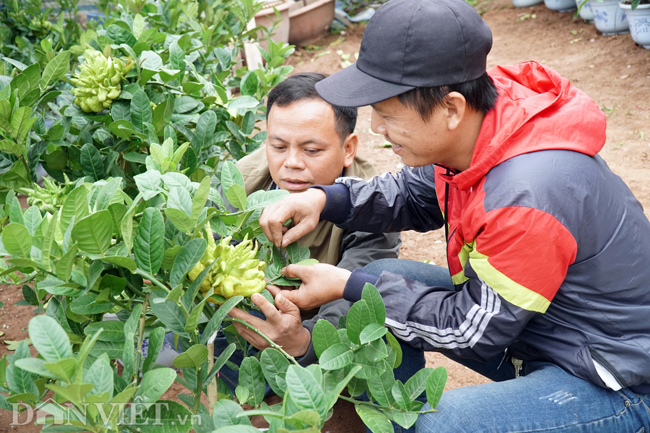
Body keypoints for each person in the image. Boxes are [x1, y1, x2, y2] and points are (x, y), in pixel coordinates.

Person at [256, 0, 650, 432]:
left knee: (440, 425)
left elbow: (473, 332)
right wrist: (323, 200)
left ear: (451, 108)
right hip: (545, 331)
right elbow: (415, 191)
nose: (376, 129)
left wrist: (346, 284)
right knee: (376, 290)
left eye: (387, 115)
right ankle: (396, 418)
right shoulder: (488, 126)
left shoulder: (526, 197)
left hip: (611, 377)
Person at [223, 72, 401, 371]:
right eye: (278, 147)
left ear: (348, 149)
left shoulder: (374, 202)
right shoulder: (241, 183)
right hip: (254, 324)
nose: (291, 162)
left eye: (311, 150)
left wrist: (304, 342)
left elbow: (355, 298)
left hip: (321, 334)